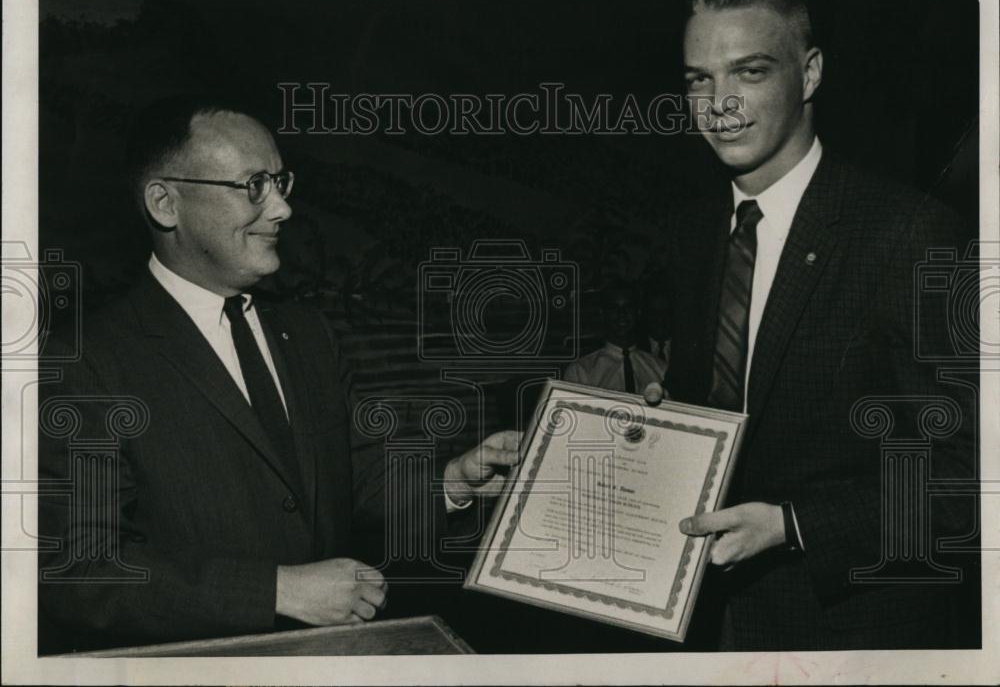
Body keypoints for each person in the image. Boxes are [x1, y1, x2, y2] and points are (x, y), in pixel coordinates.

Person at [37, 97, 519, 653]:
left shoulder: (308, 333)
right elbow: (80, 569)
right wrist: (276, 590)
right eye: (254, 185)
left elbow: (359, 481)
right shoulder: (86, 360)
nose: (283, 209)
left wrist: (453, 482)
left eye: (281, 182)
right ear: (166, 203)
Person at [659, 0, 976, 649]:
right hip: (706, 629)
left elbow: (969, 474)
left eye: (748, 72)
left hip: (851, 635)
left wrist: (792, 524)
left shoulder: (912, 233)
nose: (719, 105)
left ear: (810, 73)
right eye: (697, 79)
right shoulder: (691, 234)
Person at [563, 280, 666, 393]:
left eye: (628, 306)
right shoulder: (581, 372)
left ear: (638, 312)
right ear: (603, 314)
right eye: (614, 308)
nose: (622, 314)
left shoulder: (660, 369)